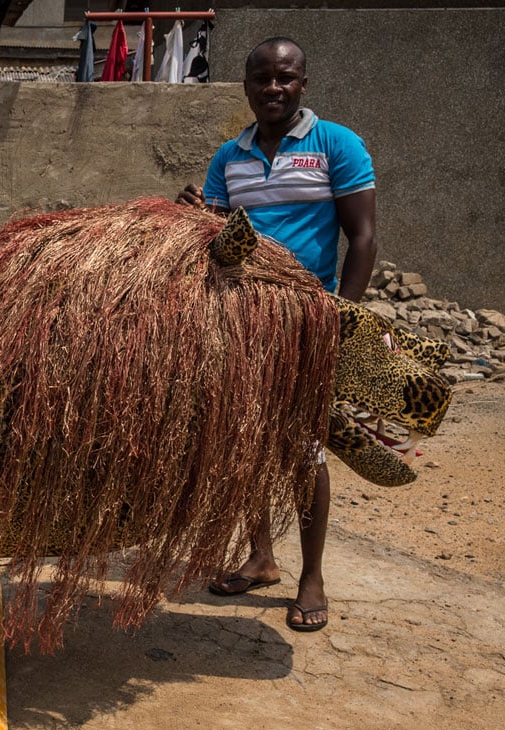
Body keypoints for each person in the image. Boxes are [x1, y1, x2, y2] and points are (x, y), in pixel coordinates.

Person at [176, 36, 377, 633]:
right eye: (262, 78)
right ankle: (261, 556)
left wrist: (343, 316)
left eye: (285, 78)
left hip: (305, 320)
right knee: (244, 440)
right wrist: (193, 213)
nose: (273, 88)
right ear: (246, 86)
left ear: (303, 84)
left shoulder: (335, 144)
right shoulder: (228, 157)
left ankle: (310, 576)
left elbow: (362, 238)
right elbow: (215, 238)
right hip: (240, 319)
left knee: (302, 448)